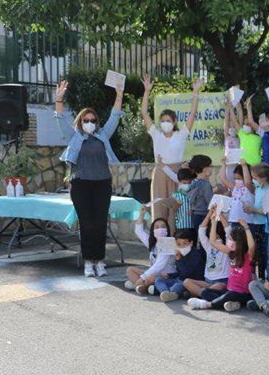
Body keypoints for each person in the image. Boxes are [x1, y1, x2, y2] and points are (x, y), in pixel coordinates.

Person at [54, 79, 124, 277]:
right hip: (80, 185)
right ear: (80, 122)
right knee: (87, 224)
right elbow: (59, 117)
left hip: (102, 184)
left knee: (100, 223)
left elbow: (115, 116)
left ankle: (100, 261)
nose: (90, 123)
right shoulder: (74, 136)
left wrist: (119, 95)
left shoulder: (103, 135)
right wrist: (59, 98)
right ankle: (88, 262)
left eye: (93, 121)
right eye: (87, 120)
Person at [141, 74, 202, 227]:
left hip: (178, 174)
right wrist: (147, 91)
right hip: (161, 172)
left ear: (174, 122)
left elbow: (192, 115)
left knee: (177, 209)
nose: (165, 123)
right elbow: (144, 113)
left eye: (168, 121)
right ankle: (159, 241)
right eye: (162, 121)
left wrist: (196, 93)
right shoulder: (156, 134)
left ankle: (177, 240)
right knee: (160, 208)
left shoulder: (181, 135)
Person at [188, 218, 255, 312]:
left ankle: (207, 304)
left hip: (243, 293)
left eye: (232, 239)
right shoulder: (230, 253)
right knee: (205, 291)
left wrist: (246, 228)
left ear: (240, 241)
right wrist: (214, 222)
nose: (229, 241)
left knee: (231, 295)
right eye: (229, 239)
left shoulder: (248, 255)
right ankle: (231, 303)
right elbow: (213, 242)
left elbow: (252, 246)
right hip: (229, 290)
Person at [124, 206, 175, 295]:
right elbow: (138, 231)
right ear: (153, 230)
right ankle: (142, 286)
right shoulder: (153, 242)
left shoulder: (168, 242)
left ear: (167, 229)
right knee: (130, 270)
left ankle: (139, 285)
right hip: (155, 273)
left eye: (163, 226)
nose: (160, 229)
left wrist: (143, 277)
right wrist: (141, 214)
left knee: (150, 277)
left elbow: (159, 265)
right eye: (157, 227)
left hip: (166, 275)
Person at [183, 210, 231, 299]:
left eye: (218, 237)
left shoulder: (227, 248)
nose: (215, 240)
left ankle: (199, 294)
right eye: (213, 237)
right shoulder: (208, 246)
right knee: (186, 282)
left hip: (222, 282)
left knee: (219, 286)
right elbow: (201, 229)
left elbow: (228, 230)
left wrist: (219, 213)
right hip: (208, 282)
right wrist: (210, 213)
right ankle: (205, 294)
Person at [154, 229, 205, 302]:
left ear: (191, 243)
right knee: (159, 279)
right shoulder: (180, 253)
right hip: (180, 279)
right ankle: (165, 292)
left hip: (190, 281)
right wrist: (170, 275)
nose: (182, 246)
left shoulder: (196, 255)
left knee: (178, 285)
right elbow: (180, 273)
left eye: (185, 243)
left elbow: (186, 273)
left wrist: (179, 260)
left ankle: (168, 292)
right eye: (179, 244)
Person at [186, 154, 214, 226]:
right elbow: (211, 203)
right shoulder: (206, 184)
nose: (212, 168)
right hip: (204, 216)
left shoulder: (193, 182)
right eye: (210, 166)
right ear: (205, 169)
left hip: (194, 215)